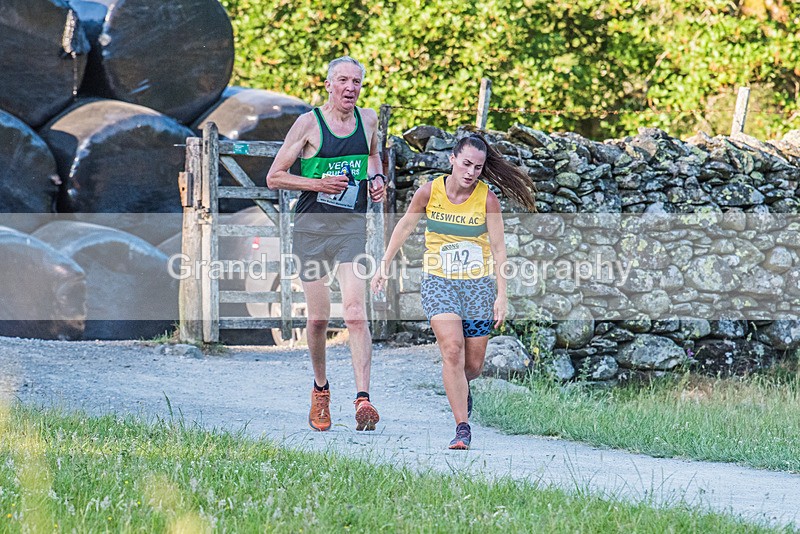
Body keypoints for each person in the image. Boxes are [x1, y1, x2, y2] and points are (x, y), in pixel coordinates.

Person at [371, 132, 535, 449]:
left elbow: (499, 249)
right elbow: (405, 225)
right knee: (452, 351)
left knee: (471, 366)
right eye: (466, 164)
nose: (471, 172)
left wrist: (502, 295)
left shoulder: (487, 199)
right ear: (452, 160)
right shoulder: (429, 192)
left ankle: (460, 384)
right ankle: (462, 427)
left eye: (478, 167)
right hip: (439, 282)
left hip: (478, 287)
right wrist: (384, 264)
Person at [267, 56, 385, 432]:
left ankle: (363, 400)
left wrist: (378, 179)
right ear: (329, 85)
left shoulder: (368, 120)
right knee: (318, 318)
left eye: (357, 82)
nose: (351, 88)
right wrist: (318, 184)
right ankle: (321, 391)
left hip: (350, 228)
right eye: (344, 81)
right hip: (310, 230)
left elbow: (372, 155)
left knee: (354, 313)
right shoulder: (308, 124)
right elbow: (274, 177)